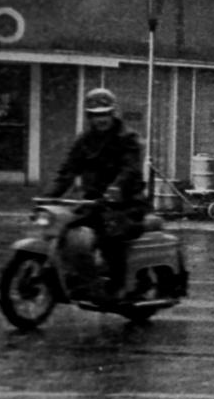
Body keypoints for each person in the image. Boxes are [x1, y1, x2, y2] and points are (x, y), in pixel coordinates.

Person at [48, 87, 148, 298]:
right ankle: (80, 279)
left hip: (127, 203)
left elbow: (130, 169)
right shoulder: (84, 141)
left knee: (111, 234)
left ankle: (117, 286)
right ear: (89, 116)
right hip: (94, 202)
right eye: (95, 115)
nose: (100, 119)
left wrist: (117, 187)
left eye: (105, 114)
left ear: (113, 113)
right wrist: (50, 196)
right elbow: (68, 170)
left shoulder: (127, 138)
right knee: (65, 228)